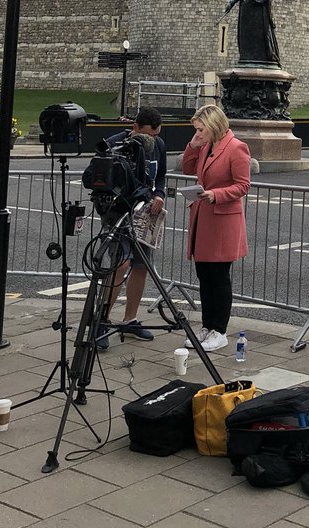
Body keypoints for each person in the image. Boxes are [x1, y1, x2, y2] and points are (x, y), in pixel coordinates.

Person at [181, 103, 251, 353]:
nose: (198, 133)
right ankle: (207, 326)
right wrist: (193, 145)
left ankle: (219, 330)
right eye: (196, 130)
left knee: (218, 277)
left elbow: (243, 185)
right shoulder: (205, 146)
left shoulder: (236, 147)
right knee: (204, 276)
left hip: (222, 220)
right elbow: (188, 168)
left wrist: (216, 194)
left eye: (201, 129)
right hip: (204, 218)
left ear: (214, 126)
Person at [96, 107, 166, 349]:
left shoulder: (159, 146)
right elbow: (99, 178)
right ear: (135, 127)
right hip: (118, 213)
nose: (152, 140)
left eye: (156, 135)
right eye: (147, 135)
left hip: (145, 213)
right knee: (120, 264)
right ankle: (102, 320)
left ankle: (130, 320)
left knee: (141, 266)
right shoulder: (115, 144)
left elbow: (160, 176)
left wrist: (159, 194)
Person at [222, 0, 281, 67]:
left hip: (258, 15)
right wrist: (231, 3)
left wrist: (258, 0)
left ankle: (260, 57)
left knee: (258, 36)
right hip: (246, 13)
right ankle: (247, 56)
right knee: (246, 35)